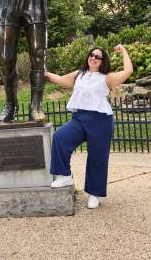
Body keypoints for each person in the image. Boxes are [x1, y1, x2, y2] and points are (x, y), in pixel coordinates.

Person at [47, 45, 133, 209]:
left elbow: (128, 71)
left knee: (97, 158)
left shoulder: (107, 78)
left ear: (102, 61)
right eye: (91, 55)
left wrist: (124, 52)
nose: (93, 58)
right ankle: (65, 175)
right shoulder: (79, 74)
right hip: (79, 118)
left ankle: (94, 194)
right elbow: (58, 79)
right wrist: (40, 71)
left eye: (98, 57)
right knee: (60, 137)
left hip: (100, 120)